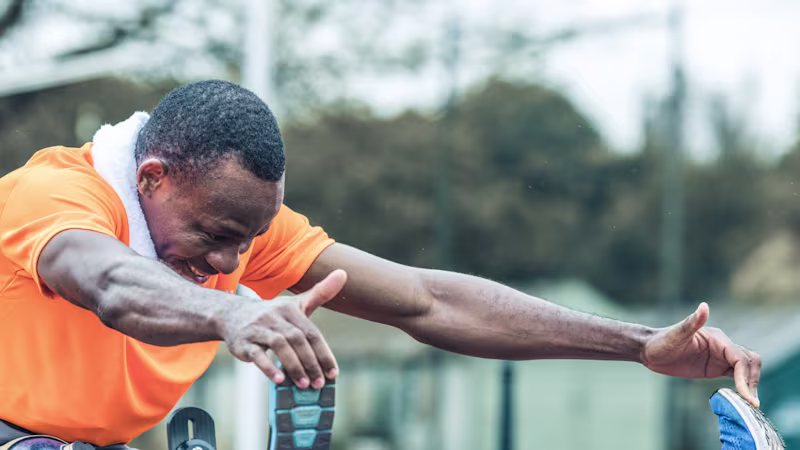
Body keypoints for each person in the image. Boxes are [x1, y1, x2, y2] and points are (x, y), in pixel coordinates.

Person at [0, 80, 762, 449]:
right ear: (152, 178)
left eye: (250, 239)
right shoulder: (51, 197)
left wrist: (635, 343)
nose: (233, 260)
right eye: (215, 235)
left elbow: (427, 301)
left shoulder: (238, 223)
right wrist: (232, 312)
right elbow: (105, 283)